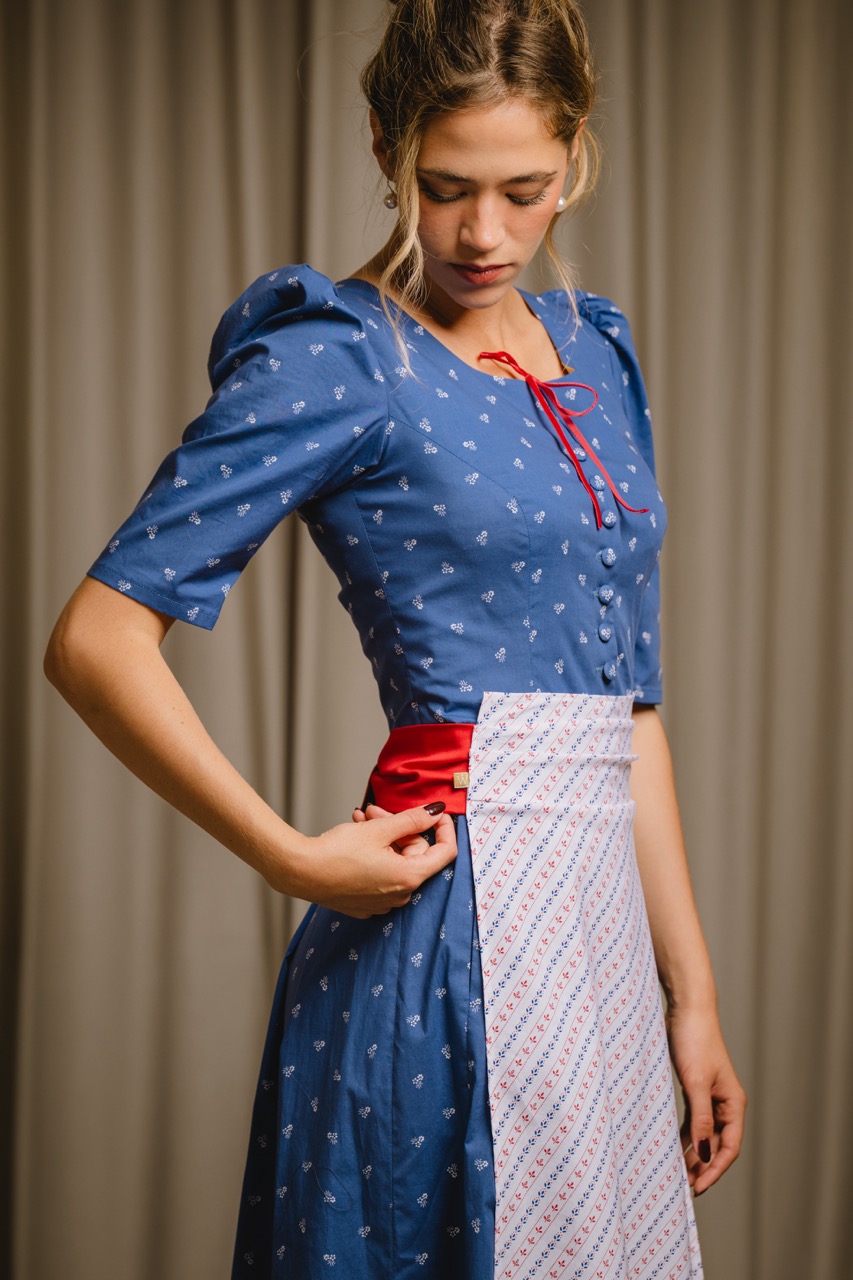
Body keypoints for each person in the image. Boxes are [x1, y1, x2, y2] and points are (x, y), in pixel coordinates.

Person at [44, 1, 746, 1276]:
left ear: (575, 155)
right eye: (444, 187)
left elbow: (626, 703)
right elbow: (95, 638)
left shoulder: (594, 353)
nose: (483, 232)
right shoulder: (338, 356)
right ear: (383, 144)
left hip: (593, 952)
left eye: (523, 189)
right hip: (443, 947)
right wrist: (291, 858)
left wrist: (688, 993)